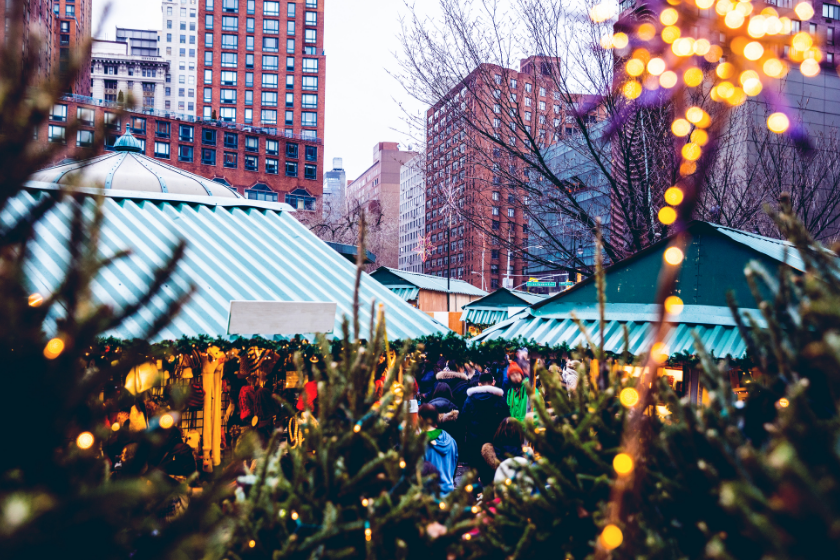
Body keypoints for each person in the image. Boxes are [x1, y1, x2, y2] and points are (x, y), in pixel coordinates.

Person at [460, 372, 510, 485]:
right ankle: (490, 500)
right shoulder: (500, 400)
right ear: (493, 383)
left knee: (473, 476)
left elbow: (463, 420)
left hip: (474, 443)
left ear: (479, 384)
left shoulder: (470, 400)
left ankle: (475, 499)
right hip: (493, 444)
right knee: (491, 477)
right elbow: (507, 421)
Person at [418, 403, 458, 495]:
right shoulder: (451, 440)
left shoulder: (420, 443)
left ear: (421, 419)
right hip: (449, 495)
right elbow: (454, 467)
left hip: (430, 498)